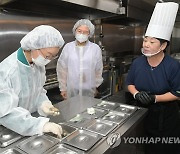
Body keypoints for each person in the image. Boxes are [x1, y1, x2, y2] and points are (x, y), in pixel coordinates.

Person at [126, 2, 180, 154]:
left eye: (152, 41)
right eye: (145, 40)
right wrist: (136, 94)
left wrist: (154, 98)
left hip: (166, 119)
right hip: (141, 115)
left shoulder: (172, 66)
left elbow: (177, 93)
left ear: (163, 46)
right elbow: (129, 83)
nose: (146, 44)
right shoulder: (137, 62)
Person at [0, 25, 65, 138]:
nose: (48, 60)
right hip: (7, 129)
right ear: (34, 47)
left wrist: (43, 103)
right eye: (48, 55)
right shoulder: (7, 71)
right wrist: (40, 126)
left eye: (53, 57)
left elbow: (38, 90)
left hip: (28, 125)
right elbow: (6, 112)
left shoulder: (38, 64)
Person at [57, 19, 103, 99]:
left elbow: (98, 69)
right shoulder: (68, 47)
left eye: (85, 32)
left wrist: (95, 86)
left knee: (88, 109)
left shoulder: (95, 48)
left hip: (89, 88)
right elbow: (62, 68)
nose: (82, 34)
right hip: (72, 88)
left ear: (89, 34)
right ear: (75, 31)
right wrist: (63, 88)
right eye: (79, 31)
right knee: (73, 110)